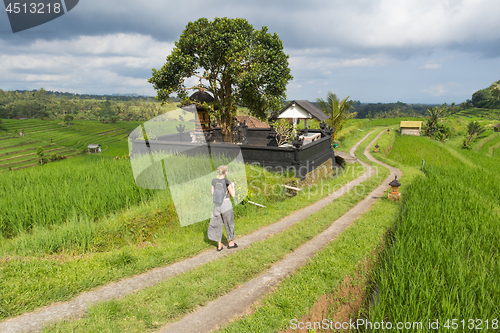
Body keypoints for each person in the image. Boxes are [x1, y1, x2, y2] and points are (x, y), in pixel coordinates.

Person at [207, 165, 237, 251]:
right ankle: (231, 243)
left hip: (217, 205)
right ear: (225, 172)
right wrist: (232, 186)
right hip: (226, 204)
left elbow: (212, 193)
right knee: (229, 223)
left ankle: (219, 246)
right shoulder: (227, 181)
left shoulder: (214, 181)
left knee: (217, 224)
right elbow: (233, 195)